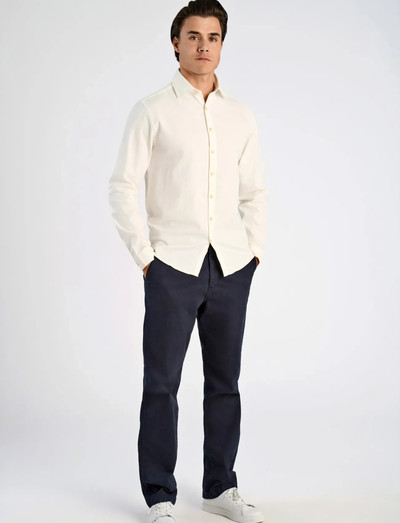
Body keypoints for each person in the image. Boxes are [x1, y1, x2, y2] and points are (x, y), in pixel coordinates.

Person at [108, 0, 268, 521]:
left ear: (222, 44)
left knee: (225, 384)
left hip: (231, 267)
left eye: (213, 37)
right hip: (171, 267)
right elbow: (122, 186)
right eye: (194, 36)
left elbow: (254, 192)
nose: (203, 46)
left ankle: (221, 487)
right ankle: (160, 495)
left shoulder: (240, 115)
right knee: (162, 384)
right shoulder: (152, 110)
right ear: (176, 43)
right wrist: (145, 257)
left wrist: (253, 253)